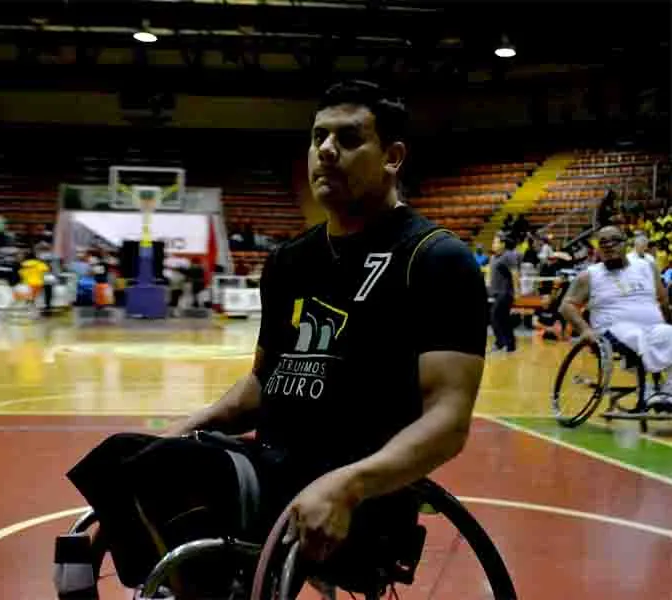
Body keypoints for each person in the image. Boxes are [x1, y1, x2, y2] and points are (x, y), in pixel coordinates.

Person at [65, 80, 488, 597]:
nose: (326, 151)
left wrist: (350, 484)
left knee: (173, 477)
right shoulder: (290, 261)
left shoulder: (435, 260)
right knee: (125, 456)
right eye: (318, 138)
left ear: (393, 156)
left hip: (359, 492)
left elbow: (448, 421)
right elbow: (261, 385)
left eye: (349, 139)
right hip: (271, 469)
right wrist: (194, 422)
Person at [560, 225, 672, 409]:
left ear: (626, 244)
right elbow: (567, 305)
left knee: (667, 334)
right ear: (598, 248)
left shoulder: (647, 267)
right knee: (639, 337)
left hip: (653, 327)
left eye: (614, 241)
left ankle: (667, 392)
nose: (609, 246)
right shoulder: (589, 276)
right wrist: (585, 330)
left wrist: (669, 319)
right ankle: (648, 390)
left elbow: (662, 299)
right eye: (603, 242)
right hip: (613, 330)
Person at [489, 232, 519, 353]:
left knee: (494, 316)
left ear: (503, 244)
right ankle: (511, 346)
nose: (493, 244)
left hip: (506, 292)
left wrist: (517, 291)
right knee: (504, 319)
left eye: (495, 242)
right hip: (496, 293)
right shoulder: (493, 257)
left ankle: (500, 343)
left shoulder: (508, 256)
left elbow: (515, 273)